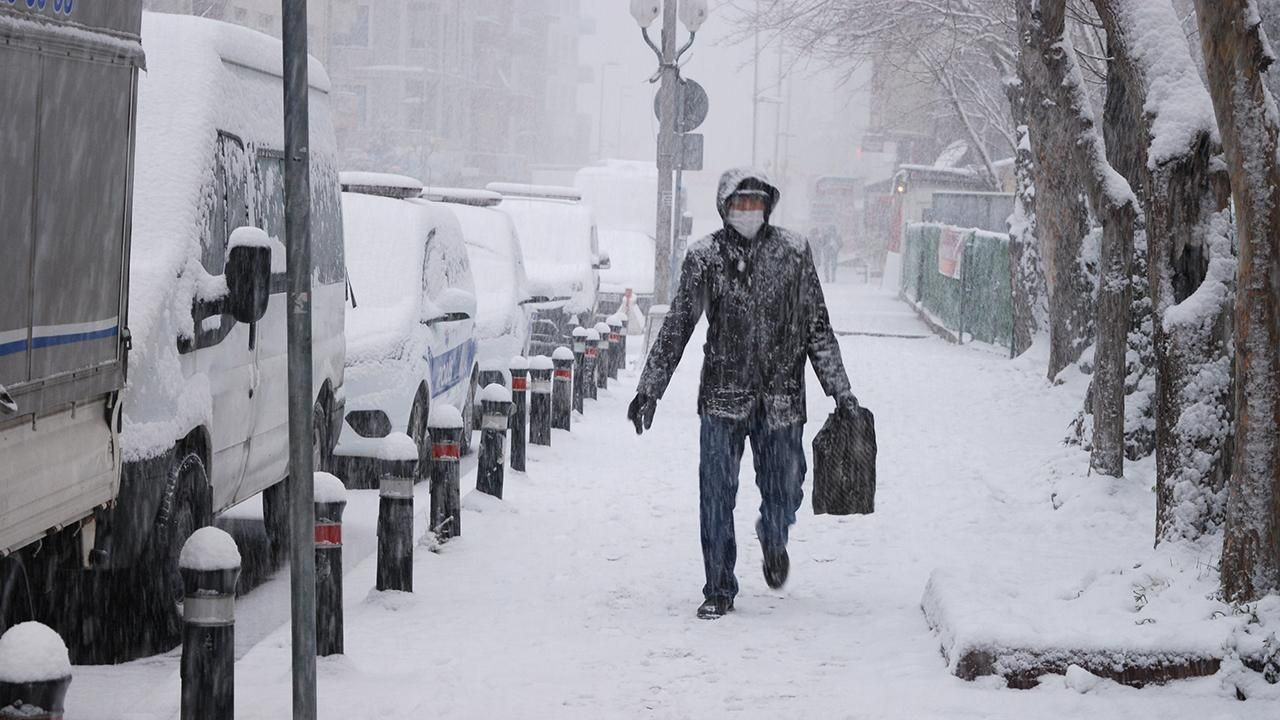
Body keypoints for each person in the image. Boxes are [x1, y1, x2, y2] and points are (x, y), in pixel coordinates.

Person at [627, 168, 858, 620]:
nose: (748, 212)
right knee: (715, 495)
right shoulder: (706, 257)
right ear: (725, 208)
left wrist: (841, 391)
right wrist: (649, 389)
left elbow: (817, 328)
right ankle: (718, 587)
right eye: (740, 204)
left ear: (768, 207)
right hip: (722, 397)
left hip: (782, 399)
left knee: (786, 490)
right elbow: (677, 327)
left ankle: (774, 537)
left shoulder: (793, 254)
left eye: (756, 204)